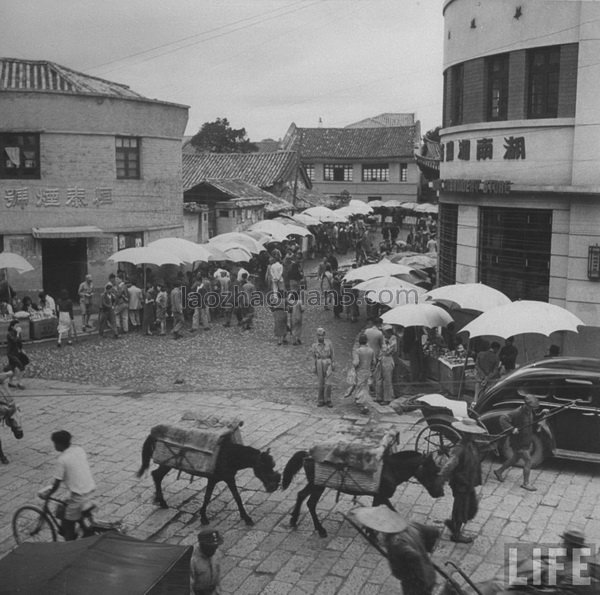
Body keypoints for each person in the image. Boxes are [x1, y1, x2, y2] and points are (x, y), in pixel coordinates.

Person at [352, 506, 440, 595]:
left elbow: (414, 556)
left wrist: (418, 579)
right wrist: (424, 550)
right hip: (429, 573)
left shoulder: (396, 543)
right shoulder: (411, 525)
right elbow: (434, 531)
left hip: (416, 585)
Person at [40, 430, 96, 541]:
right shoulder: (79, 450)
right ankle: (82, 527)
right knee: (64, 505)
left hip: (79, 496)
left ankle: (69, 542)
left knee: (67, 528)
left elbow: (56, 483)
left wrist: (48, 494)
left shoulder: (62, 460)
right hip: (90, 489)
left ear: (59, 444)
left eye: (55, 443)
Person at [440, 418, 485, 543]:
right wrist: (441, 478)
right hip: (461, 483)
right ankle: (456, 534)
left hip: (468, 482)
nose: (472, 435)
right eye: (470, 433)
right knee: (461, 508)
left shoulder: (471, 445)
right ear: (465, 433)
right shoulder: (459, 449)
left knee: (471, 507)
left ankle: (454, 524)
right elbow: (449, 465)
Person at [494, 393, 543, 491]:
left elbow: (534, 418)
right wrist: (512, 429)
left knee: (514, 459)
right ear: (527, 405)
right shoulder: (517, 412)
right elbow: (502, 419)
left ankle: (499, 471)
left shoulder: (530, 411)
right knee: (528, 461)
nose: (534, 409)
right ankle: (526, 483)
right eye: (532, 407)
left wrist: (542, 413)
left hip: (526, 440)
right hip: (518, 442)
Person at [190, 528, 223, 595]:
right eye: (211, 547)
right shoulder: (192, 561)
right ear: (202, 545)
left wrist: (218, 590)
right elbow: (189, 586)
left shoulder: (216, 553)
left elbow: (218, 572)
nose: (214, 550)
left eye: (215, 547)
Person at [310, 327, 335, 407]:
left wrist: (333, 363)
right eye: (319, 335)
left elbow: (332, 353)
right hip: (319, 363)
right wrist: (313, 366)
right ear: (317, 336)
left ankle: (328, 399)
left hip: (328, 362)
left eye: (322, 335)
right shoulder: (314, 346)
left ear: (324, 335)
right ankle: (320, 400)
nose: (320, 337)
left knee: (329, 383)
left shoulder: (329, 343)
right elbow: (313, 356)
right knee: (321, 382)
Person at [352, 333, 375, 414]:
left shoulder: (358, 351)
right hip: (368, 370)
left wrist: (354, 366)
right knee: (366, 387)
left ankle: (362, 404)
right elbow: (374, 362)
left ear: (359, 341)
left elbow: (356, 362)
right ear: (366, 341)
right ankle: (362, 402)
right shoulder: (371, 350)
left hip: (360, 371)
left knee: (360, 386)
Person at [376, 325, 397, 405]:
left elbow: (388, 350)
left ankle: (388, 398)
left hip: (388, 359)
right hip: (382, 358)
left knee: (387, 379)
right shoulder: (384, 339)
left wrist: (385, 344)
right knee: (379, 378)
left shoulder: (393, 339)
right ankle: (379, 396)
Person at [6, 320, 29, 389]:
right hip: (11, 354)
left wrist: (21, 349)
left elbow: (19, 342)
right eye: (16, 326)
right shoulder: (9, 334)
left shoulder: (17, 333)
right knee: (20, 366)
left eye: (18, 326)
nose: (18, 327)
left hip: (17, 353)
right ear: (12, 327)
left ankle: (10, 382)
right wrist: (18, 334)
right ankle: (19, 383)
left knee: (12, 367)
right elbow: (15, 341)